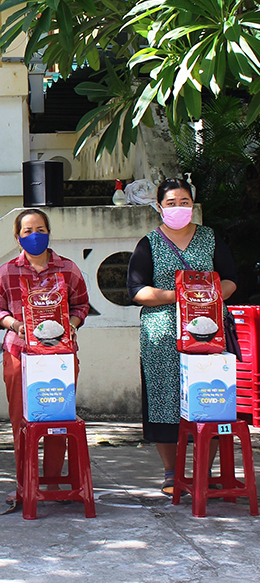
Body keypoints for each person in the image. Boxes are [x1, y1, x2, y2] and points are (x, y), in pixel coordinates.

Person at [127, 178, 237, 496]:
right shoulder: (149, 243)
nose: (178, 208)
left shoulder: (209, 238)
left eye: (184, 202)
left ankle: (204, 468)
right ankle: (171, 472)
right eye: (171, 203)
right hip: (162, 336)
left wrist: (210, 294)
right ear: (160, 207)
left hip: (209, 331)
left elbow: (230, 279)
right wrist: (179, 295)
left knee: (210, 399)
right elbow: (137, 290)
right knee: (165, 401)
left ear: (194, 204)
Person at [0, 208, 90, 507]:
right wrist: (16, 325)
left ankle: (54, 480)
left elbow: (81, 304)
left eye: (40, 229)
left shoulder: (67, 269)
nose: (35, 236)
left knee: (58, 417)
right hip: (20, 354)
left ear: (49, 232)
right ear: (18, 237)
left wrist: (70, 324)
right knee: (22, 421)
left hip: (60, 356)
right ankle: (25, 484)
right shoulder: (7, 272)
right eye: (28, 231)